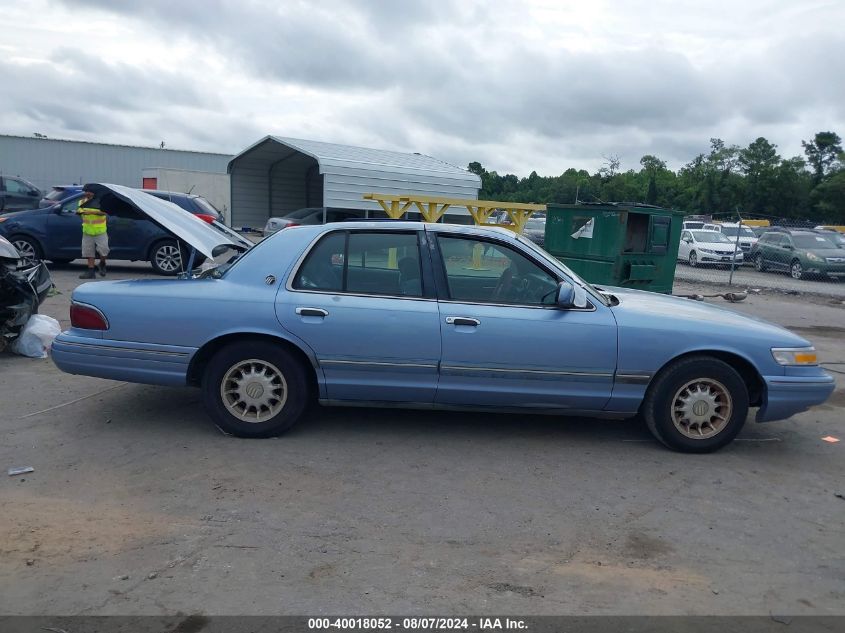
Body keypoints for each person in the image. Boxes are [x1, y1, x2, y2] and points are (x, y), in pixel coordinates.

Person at [77, 189, 109, 279]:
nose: (87, 193)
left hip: (100, 231)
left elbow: (105, 212)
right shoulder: (82, 202)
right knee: (89, 252)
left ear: (94, 192)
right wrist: (80, 212)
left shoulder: (100, 202)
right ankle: (91, 272)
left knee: (104, 251)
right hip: (87, 231)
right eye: (86, 191)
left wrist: (92, 212)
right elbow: (79, 211)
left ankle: (102, 263)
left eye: (89, 191)